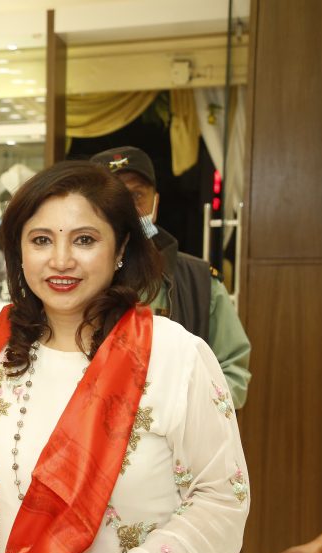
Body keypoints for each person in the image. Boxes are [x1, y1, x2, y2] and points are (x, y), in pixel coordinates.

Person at [0, 160, 250, 553]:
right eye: (41, 240)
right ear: (18, 252)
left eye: (85, 240)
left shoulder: (173, 356)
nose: (60, 260)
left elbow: (223, 495)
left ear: (121, 250)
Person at [90, 146, 252, 408]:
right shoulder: (71, 279)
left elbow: (233, 372)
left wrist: (181, 413)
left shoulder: (200, 282)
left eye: (137, 195)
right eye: (112, 198)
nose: (127, 209)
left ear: (155, 203)